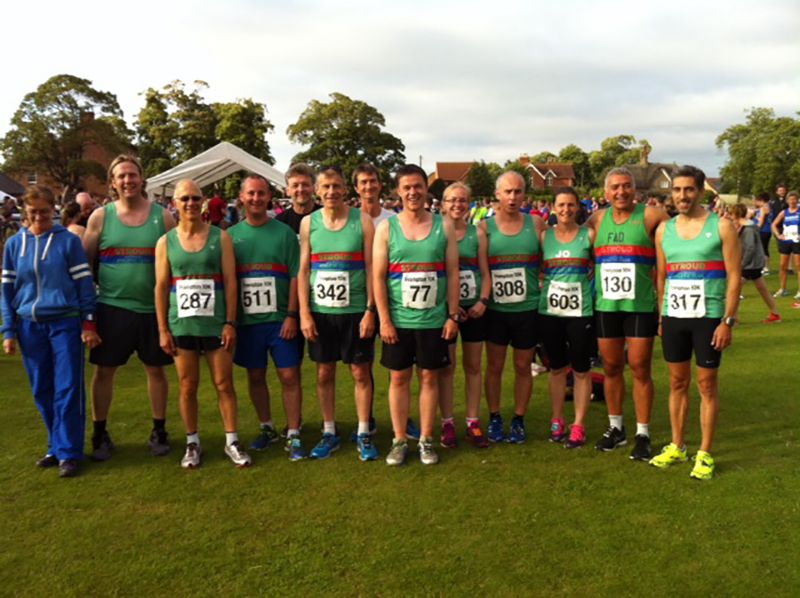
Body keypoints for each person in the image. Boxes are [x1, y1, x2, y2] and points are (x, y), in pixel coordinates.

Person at [2, 185, 101, 477]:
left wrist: (88, 322)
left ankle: (69, 452)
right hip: (28, 325)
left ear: (53, 210)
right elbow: (6, 290)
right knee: (41, 389)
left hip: (65, 323)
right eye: (33, 212)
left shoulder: (67, 242)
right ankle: (54, 446)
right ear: (24, 212)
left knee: (68, 387)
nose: (39, 217)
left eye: (45, 211)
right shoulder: (13, 245)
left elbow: (85, 285)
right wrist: (8, 330)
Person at [650, 165, 741, 480]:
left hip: (709, 318)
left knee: (706, 385)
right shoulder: (664, 230)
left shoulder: (722, 227)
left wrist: (727, 320)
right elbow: (662, 277)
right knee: (677, 383)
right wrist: (662, 316)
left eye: (689, 189)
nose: (682, 196)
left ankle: (705, 452)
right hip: (675, 317)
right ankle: (678, 445)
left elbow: (734, 277)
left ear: (701, 191)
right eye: (676, 190)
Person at [83, 155, 176, 460]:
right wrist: (89, 319)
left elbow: (175, 267)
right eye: (121, 176)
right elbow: (84, 268)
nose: (127, 181)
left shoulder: (163, 217)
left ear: (142, 178)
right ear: (112, 182)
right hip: (112, 308)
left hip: (153, 310)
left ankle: (159, 431)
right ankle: (100, 433)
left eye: (132, 175)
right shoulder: (100, 217)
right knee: (105, 371)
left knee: (156, 371)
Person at [154, 179, 250, 469]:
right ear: (175, 203)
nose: (191, 204)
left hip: (215, 324)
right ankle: (192, 442)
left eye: (196, 198)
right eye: (185, 199)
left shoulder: (220, 237)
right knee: (187, 386)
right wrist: (162, 329)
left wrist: (230, 322)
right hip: (181, 326)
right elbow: (160, 286)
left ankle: (232, 440)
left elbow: (232, 282)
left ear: (204, 201)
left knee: (224, 383)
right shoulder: (165, 242)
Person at [373, 164, 459, 466]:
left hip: (434, 320)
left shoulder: (443, 225)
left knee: (429, 378)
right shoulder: (386, 228)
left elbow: (452, 273)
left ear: (426, 189)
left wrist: (452, 316)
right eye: (407, 187)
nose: (413, 192)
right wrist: (384, 319)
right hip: (398, 321)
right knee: (399, 378)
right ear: (398, 191)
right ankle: (399, 439)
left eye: (418, 186)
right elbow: (379, 277)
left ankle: (425, 439)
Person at [587, 167, 669, 460]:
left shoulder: (650, 216)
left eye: (626, 186)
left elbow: (677, 233)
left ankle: (643, 433)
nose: (621, 192)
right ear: (606, 193)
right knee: (610, 367)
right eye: (615, 188)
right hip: (607, 306)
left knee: (640, 367)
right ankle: (616, 428)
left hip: (640, 306)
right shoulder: (597, 219)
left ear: (635, 190)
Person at [298, 165, 378, 461]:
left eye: (336, 186)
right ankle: (329, 431)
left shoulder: (363, 221)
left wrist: (371, 310)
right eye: (325, 187)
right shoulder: (309, 223)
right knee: (324, 371)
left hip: (356, 310)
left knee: (360, 371)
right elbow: (304, 269)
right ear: (317, 191)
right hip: (321, 311)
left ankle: (363, 432)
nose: (331, 192)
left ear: (346, 189)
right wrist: (304, 313)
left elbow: (372, 269)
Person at [227, 175, 306, 461]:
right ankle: (267, 427)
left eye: (262, 193)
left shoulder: (284, 233)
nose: (257, 199)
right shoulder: (231, 236)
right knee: (255, 374)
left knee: (289, 374)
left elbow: (296, 275)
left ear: (269, 197)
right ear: (242, 197)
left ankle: (294, 432)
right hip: (248, 322)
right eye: (251, 194)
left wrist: (292, 315)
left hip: (280, 319)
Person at [480, 171, 546, 444]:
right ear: (497, 195)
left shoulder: (536, 223)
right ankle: (495, 417)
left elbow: (549, 258)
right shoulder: (484, 228)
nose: (513, 197)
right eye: (507, 191)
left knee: (522, 366)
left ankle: (518, 419)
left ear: (524, 195)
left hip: (527, 309)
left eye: (518, 191)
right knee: (494, 365)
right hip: (496, 310)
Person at [538, 187, 597, 449]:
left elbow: (596, 265)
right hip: (550, 312)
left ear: (578, 208)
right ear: (554, 207)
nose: (566, 210)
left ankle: (579, 425)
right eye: (561, 205)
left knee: (582, 370)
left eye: (571, 205)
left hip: (580, 312)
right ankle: (557, 419)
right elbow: (537, 267)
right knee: (557, 368)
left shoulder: (589, 235)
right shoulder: (544, 237)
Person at [437, 182, 491, 448]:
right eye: (452, 200)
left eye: (462, 200)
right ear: (443, 204)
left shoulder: (477, 233)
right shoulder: (436, 232)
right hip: (447, 311)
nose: (457, 205)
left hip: (474, 310)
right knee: (446, 367)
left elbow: (485, 272)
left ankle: (472, 421)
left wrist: (482, 301)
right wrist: (449, 305)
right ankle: (447, 422)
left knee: (473, 366)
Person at [727, 203, 781, 322]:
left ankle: (733, 318)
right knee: (763, 289)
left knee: (734, 289)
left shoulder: (748, 229)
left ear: (736, 214)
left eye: (731, 214)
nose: (730, 216)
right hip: (754, 264)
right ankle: (775, 314)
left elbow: (750, 248)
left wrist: (742, 264)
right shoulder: (746, 226)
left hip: (750, 265)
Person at [770, 191, 800, 299]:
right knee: (783, 266)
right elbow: (773, 224)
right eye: (790, 199)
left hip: (797, 241)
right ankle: (783, 289)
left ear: (797, 200)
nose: (792, 201)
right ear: (787, 201)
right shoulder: (784, 212)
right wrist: (778, 235)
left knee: (798, 265)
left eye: (794, 199)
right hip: (786, 241)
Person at [276, 163, 320, 235]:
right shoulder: (280, 222)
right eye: (295, 185)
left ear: (314, 188)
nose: (300, 189)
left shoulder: (327, 217)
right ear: (288, 191)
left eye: (305, 185)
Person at [752, 193, 772, 273]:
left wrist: (757, 228)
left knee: (762, 249)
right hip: (767, 230)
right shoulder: (768, 207)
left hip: (763, 230)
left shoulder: (763, 208)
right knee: (765, 248)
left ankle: (765, 267)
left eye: (757, 201)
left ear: (761, 200)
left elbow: (762, 220)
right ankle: (765, 266)